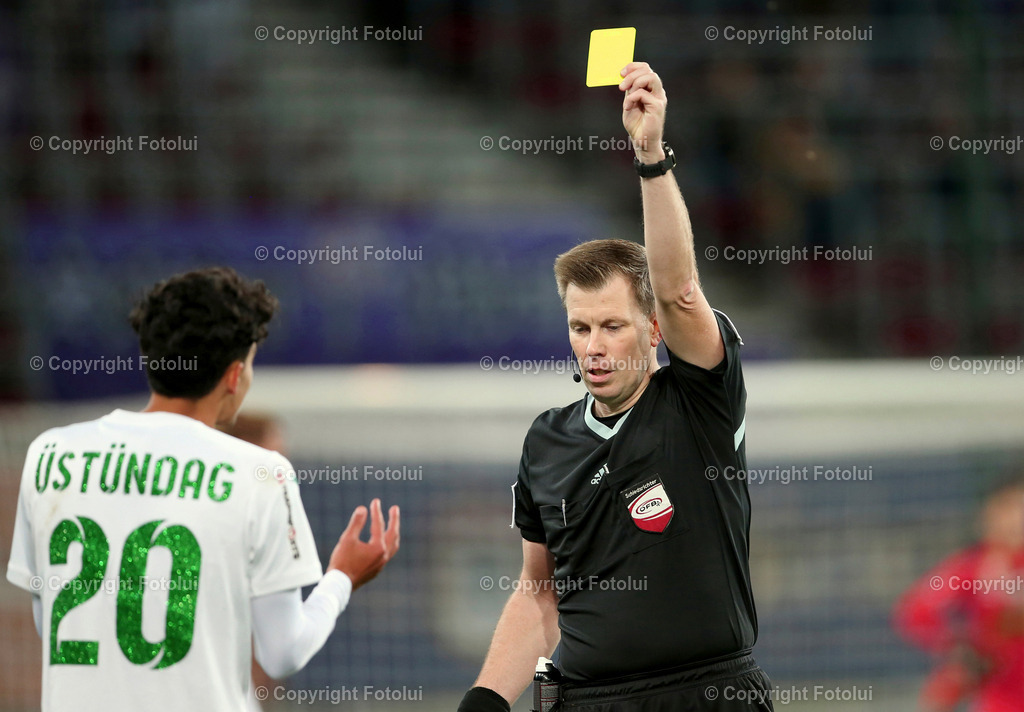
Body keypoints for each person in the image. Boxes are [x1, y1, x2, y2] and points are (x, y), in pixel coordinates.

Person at [457, 63, 772, 712]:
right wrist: (485, 699)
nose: (593, 345)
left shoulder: (698, 402)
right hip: (590, 700)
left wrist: (650, 156)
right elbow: (538, 591)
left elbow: (683, 292)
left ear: (653, 329)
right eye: (579, 326)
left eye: (611, 326)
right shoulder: (547, 441)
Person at [6, 267, 400, 712]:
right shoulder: (261, 473)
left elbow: (53, 620)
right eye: (250, 364)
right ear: (234, 375)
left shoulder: (51, 454)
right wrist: (341, 579)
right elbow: (283, 651)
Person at [893, 475, 1024, 712]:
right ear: (988, 515)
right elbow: (916, 611)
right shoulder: (969, 569)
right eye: (1008, 508)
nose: (1017, 519)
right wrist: (958, 648)